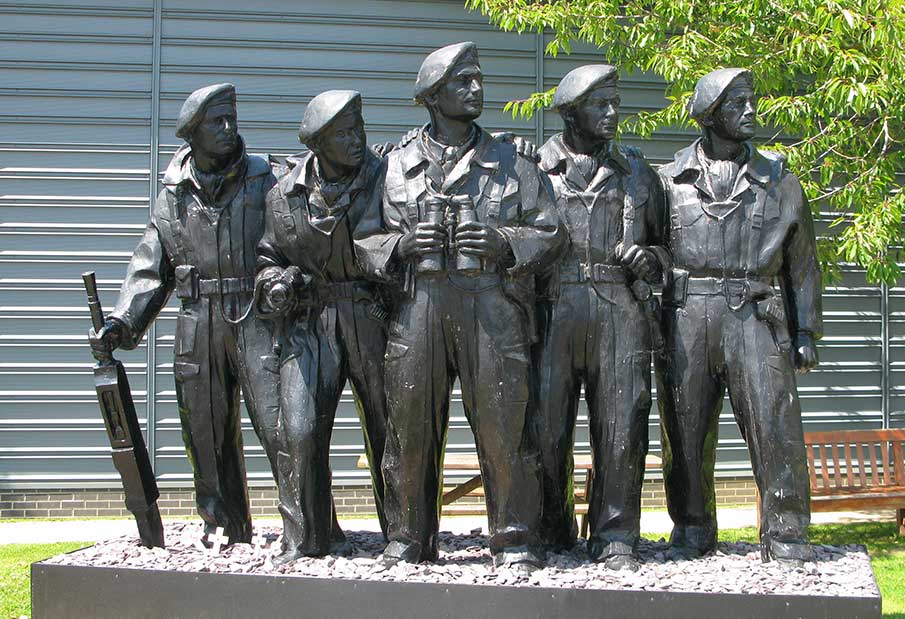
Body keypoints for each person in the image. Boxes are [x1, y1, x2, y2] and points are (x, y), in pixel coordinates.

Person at [354, 41, 565, 569]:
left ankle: (515, 540)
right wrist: (400, 246)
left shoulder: (512, 161)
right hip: (417, 306)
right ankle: (408, 539)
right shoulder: (393, 164)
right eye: (462, 81)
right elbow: (362, 240)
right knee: (410, 428)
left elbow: (551, 231)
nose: (476, 89)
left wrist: (503, 242)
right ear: (432, 95)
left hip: (491, 306)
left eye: (478, 79)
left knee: (504, 427)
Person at [89, 84, 280, 544]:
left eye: (232, 118)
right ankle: (223, 524)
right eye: (217, 121)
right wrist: (120, 322)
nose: (229, 128)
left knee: (282, 425)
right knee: (204, 431)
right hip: (197, 320)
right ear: (192, 133)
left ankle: (309, 526)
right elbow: (150, 266)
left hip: (256, 315)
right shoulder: (172, 196)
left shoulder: (266, 178)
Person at [656, 68, 823, 563]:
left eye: (751, 101)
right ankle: (691, 528)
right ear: (709, 115)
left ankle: (787, 534)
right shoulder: (668, 182)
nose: (751, 111)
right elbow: (649, 250)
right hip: (687, 316)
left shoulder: (779, 181)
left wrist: (806, 330)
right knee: (684, 429)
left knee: (775, 425)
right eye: (738, 103)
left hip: (756, 316)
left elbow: (803, 264)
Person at [533, 64, 668, 571]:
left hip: (619, 308)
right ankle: (552, 527)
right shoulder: (534, 169)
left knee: (622, 423)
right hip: (553, 308)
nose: (612, 113)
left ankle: (615, 535)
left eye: (615, 103)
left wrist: (650, 260)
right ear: (571, 113)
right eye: (599, 104)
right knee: (546, 425)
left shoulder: (637, 173)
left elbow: (668, 250)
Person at [254, 90, 393, 564]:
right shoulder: (283, 195)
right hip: (310, 322)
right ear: (317, 143)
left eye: (359, 128)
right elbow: (268, 256)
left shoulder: (385, 178)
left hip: (371, 316)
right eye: (345, 133)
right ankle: (308, 540)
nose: (357, 139)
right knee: (299, 429)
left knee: (390, 429)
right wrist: (275, 281)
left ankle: (404, 537)